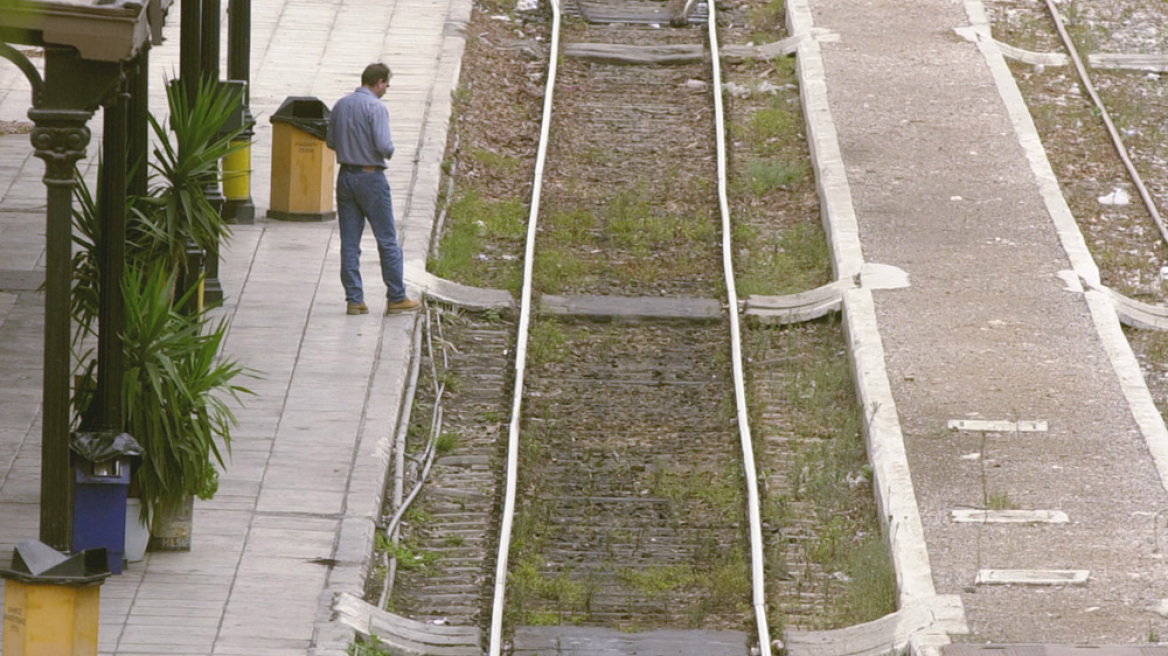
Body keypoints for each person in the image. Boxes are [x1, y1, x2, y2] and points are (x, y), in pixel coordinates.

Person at [326, 62, 420, 315]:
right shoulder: (376, 107)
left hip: (345, 176)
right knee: (387, 239)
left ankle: (354, 300)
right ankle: (396, 296)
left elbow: (331, 141)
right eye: (386, 84)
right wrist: (389, 149)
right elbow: (383, 145)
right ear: (378, 82)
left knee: (349, 242)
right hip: (371, 178)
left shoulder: (340, 104)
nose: (387, 89)